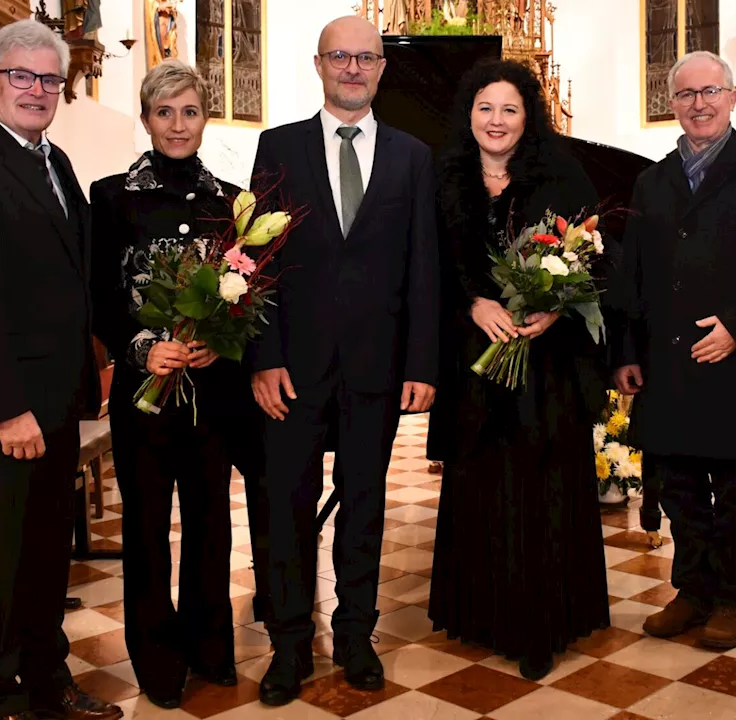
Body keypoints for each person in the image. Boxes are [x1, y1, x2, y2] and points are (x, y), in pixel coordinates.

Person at [0, 19, 118, 720]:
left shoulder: (55, 161)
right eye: (22, 77)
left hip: (57, 402)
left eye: (49, 80)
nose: (37, 91)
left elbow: (75, 279)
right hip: (3, 413)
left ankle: (47, 680)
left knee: (43, 559)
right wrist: (9, 409)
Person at [248, 15, 440, 707]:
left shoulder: (415, 157)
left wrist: (422, 363)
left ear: (382, 68)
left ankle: (356, 635)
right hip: (292, 369)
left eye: (366, 57)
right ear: (319, 64)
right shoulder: (279, 147)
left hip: (377, 368)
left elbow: (424, 269)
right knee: (289, 504)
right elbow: (255, 263)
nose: (353, 68)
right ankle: (291, 644)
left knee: (364, 506)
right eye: (340, 56)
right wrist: (262, 359)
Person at [612, 50, 736, 650]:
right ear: (673, 104)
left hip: (731, 363)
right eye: (687, 94)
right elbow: (630, 277)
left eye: (710, 92)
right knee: (676, 486)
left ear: (733, 96)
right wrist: (624, 351)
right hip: (665, 365)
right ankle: (690, 590)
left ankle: (729, 599)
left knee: (732, 490)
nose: (699, 103)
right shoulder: (650, 181)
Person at [427, 59, 611, 681]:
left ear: (528, 115)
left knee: (543, 487)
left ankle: (543, 624)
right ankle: (481, 616)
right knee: (482, 481)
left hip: (547, 371)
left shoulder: (562, 173)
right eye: (485, 108)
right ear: (468, 115)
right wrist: (471, 305)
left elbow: (592, 256)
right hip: (474, 367)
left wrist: (556, 310)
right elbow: (427, 271)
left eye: (509, 109)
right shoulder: (443, 177)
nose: (496, 120)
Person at [89, 60, 243, 709]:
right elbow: (98, 296)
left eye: (190, 111)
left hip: (210, 399)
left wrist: (221, 343)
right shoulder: (111, 195)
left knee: (211, 524)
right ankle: (156, 658)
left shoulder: (231, 200)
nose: (178, 125)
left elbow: (247, 294)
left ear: (205, 118)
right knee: (148, 529)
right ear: (147, 118)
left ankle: (209, 647)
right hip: (142, 398)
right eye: (164, 112)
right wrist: (143, 349)